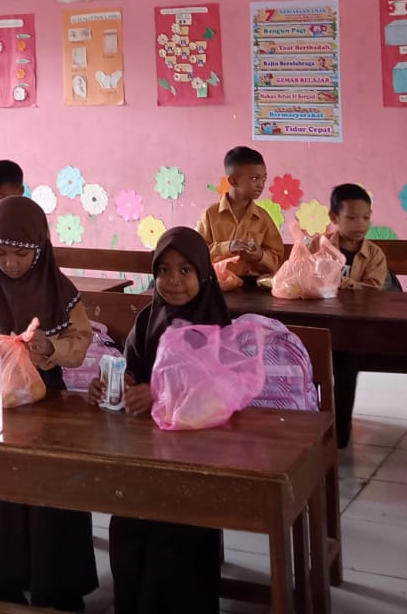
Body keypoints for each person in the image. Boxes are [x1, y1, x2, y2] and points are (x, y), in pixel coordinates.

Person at [0, 196, 96, 610]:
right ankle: (3, 580)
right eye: (0, 254)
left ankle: (58, 585)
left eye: (21, 254)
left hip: (47, 396)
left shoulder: (60, 290)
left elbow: (80, 340)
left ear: (41, 248)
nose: (10, 264)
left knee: (52, 482)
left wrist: (51, 347)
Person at [91, 226, 230, 614]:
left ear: (203, 274)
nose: (173, 281)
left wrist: (160, 393)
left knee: (173, 533)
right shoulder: (149, 318)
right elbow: (131, 368)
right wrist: (113, 384)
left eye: (185, 271)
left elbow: (217, 392)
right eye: (164, 271)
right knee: (128, 524)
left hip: (196, 455)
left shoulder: (214, 323)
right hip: (145, 447)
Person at [320, 182, 387, 449]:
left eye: (366, 217)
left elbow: (372, 293)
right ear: (334, 217)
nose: (360, 224)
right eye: (352, 218)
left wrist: (340, 282)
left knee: (345, 361)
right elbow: (308, 280)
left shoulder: (374, 255)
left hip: (356, 331)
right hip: (323, 324)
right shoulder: (319, 247)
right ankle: (309, 426)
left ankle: (340, 432)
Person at [195, 146, 284, 279]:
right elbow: (196, 253)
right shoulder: (210, 215)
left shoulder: (263, 218)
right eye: (254, 178)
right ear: (233, 181)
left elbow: (277, 260)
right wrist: (227, 247)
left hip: (253, 286)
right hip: (216, 284)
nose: (261, 185)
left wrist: (260, 256)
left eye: (263, 179)